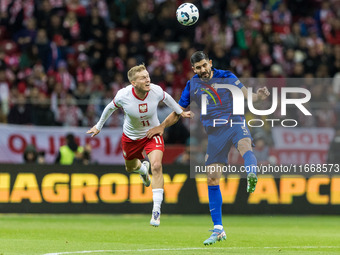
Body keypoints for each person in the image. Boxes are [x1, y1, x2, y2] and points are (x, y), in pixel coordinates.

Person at [147, 51, 270, 244]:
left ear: (210, 63)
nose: (203, 70)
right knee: (212, 178)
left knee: (245, 145)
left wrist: (260, 97)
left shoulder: (227, 77)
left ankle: (251, 173)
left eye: (205, 65)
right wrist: (161, 127)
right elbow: (178, 111)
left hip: (235, 122)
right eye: (198, 67)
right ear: (194, 69)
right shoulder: (192, 85)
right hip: (214, 133)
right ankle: (218, 229)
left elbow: (247, 95)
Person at [86, 64, 190, 227]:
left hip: (152, 133)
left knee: (156, 166)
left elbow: (168, 99)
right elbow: (109, 108)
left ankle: (156, 210)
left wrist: (180, 111)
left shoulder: (155, 90)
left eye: (147, 76)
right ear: (133, 83)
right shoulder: (123, 95)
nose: (147, 79)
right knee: (130, 168)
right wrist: (98, 126)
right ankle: (142, 170)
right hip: (131, 137)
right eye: (143, 77)